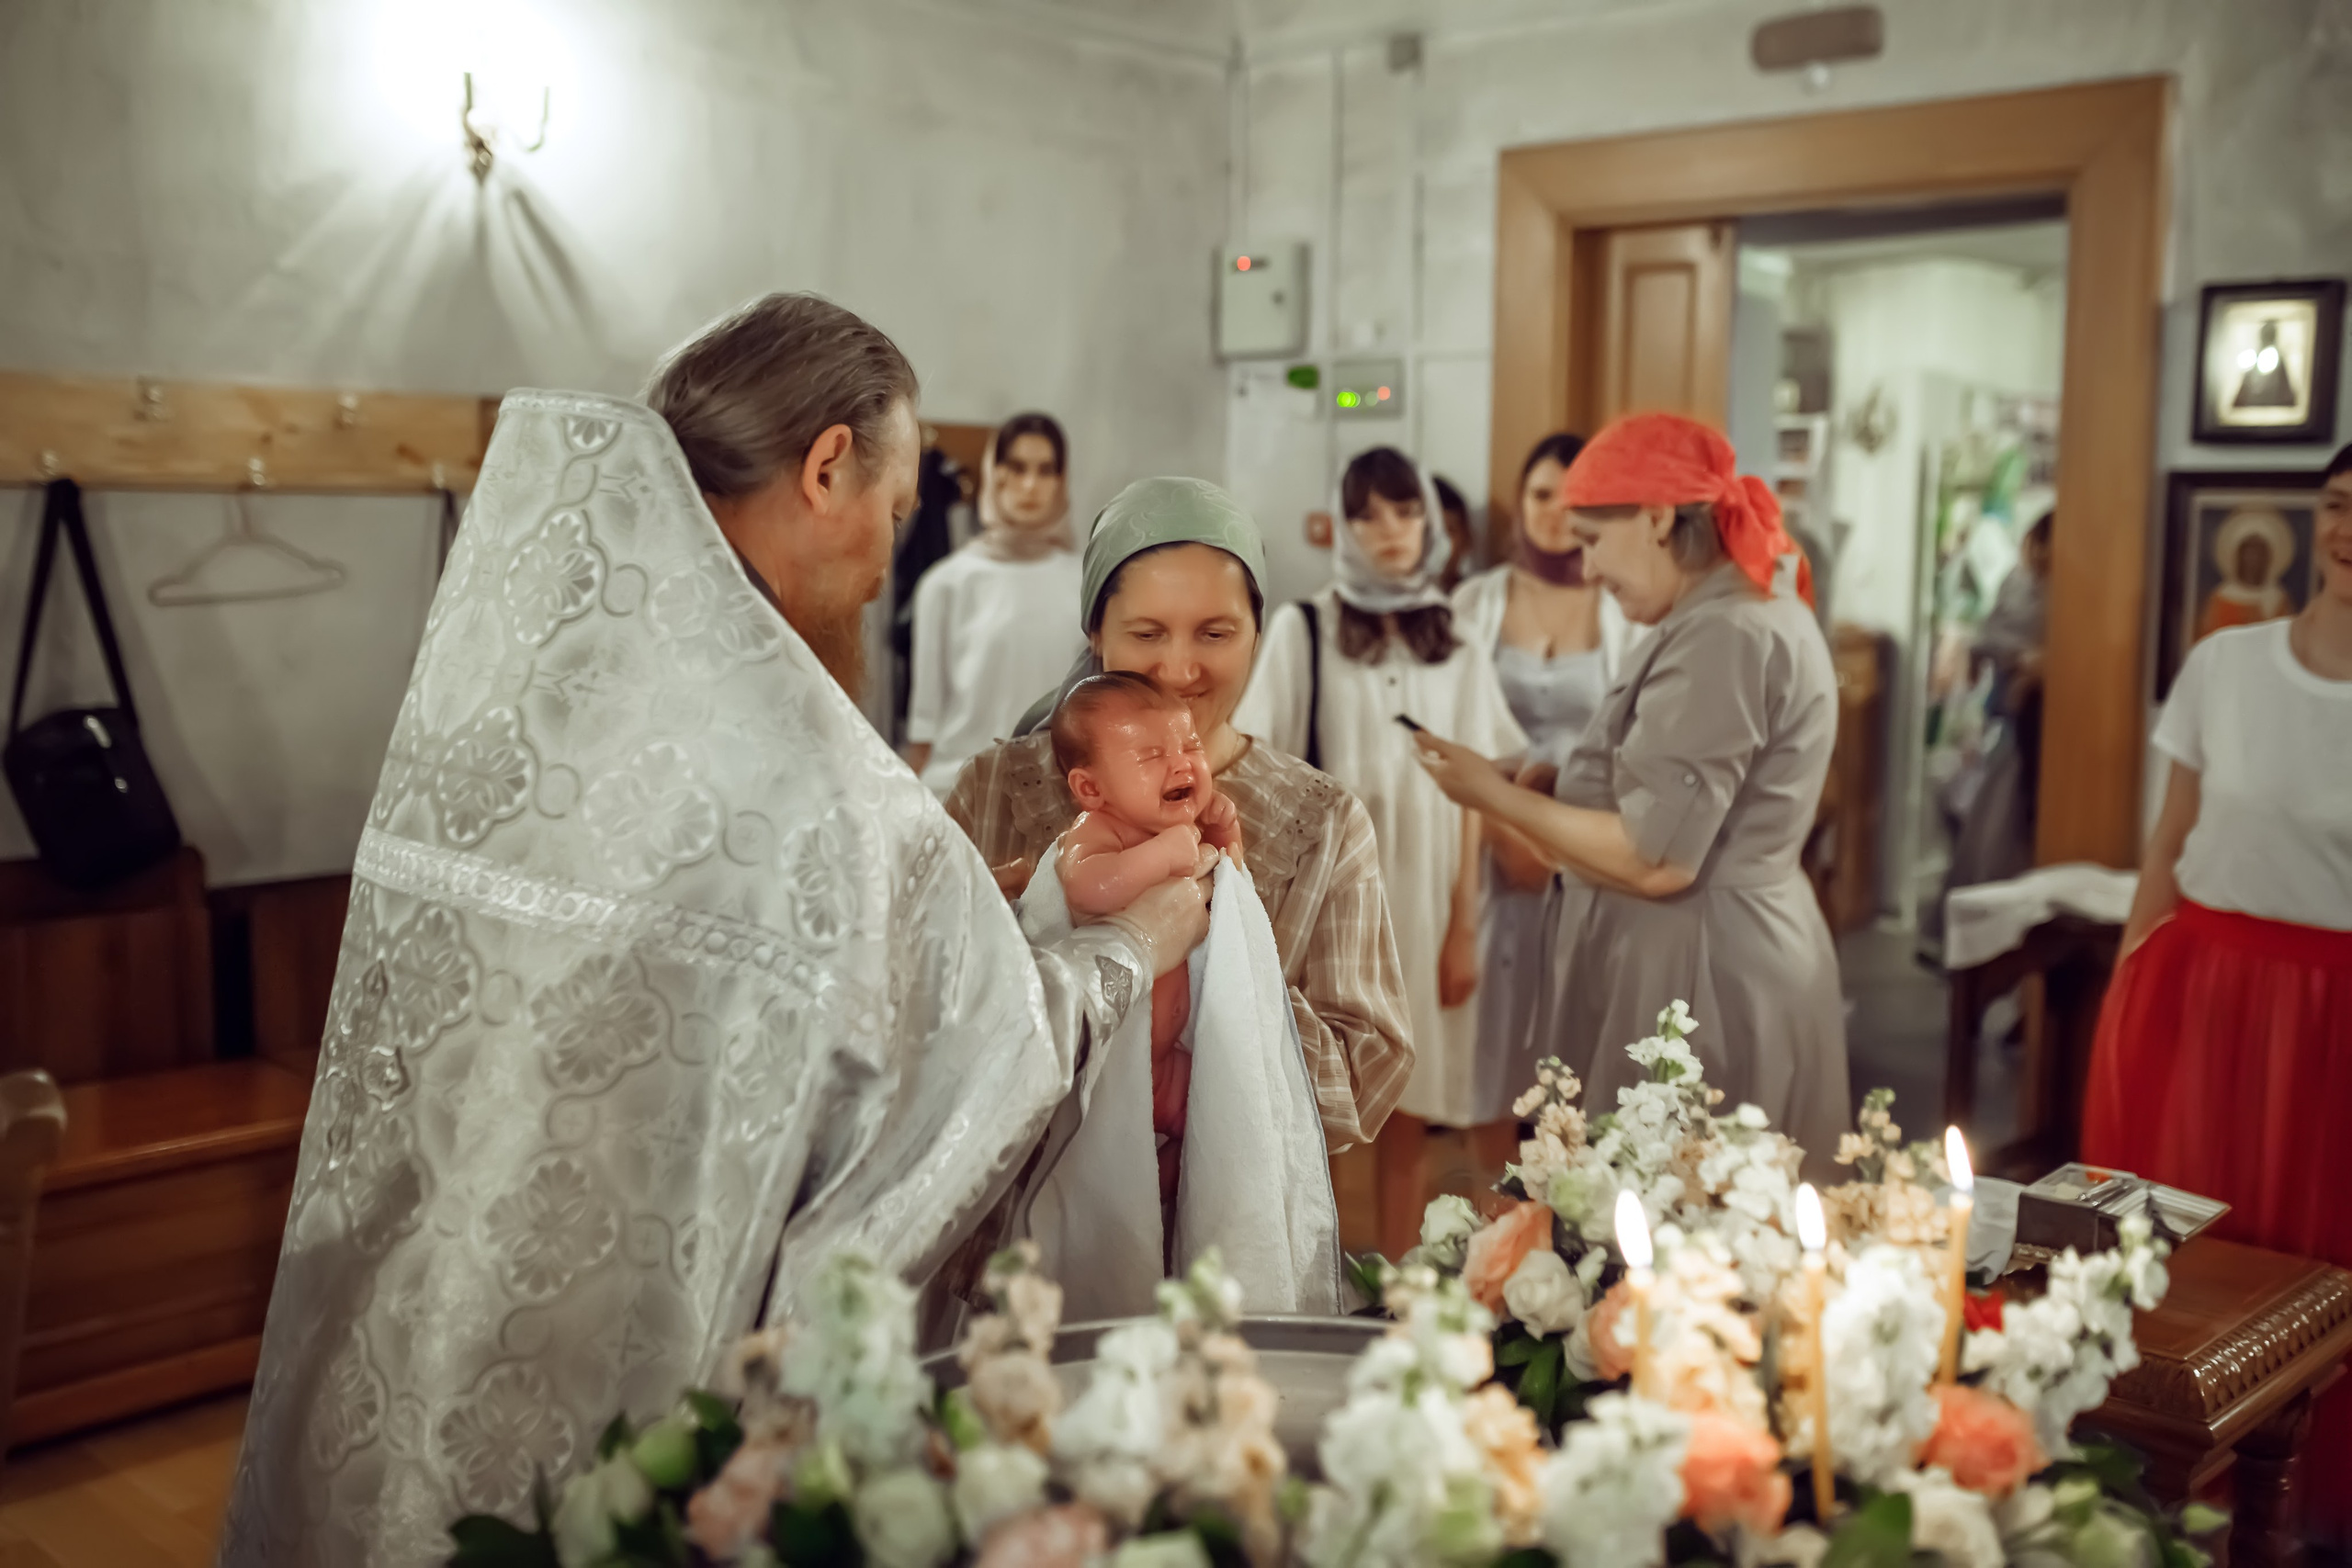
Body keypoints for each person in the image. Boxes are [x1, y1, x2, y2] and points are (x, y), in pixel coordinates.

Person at [219, 297, 1204, 1567]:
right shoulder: (820, 780)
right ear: (828, 465)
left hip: (424, 1320)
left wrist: (964, 900)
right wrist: (1133, 945)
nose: (879, 567)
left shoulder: (523, 711)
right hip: (643, 1356)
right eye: (894, 517)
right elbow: (975, 1061)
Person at [1408, 412, 1850, 1173]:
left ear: (1654, 519)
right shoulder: (1718, 615)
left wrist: (1493, 796)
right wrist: (1556, 791)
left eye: (1589, 539)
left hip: (1702, 968)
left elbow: (1658, 859)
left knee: (1690, 1232)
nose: (1583, 569)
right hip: (1701, 949)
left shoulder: (1727, 634)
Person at [944, 478, 1415, 1188]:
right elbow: (926, 1008)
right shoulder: (1000, 788)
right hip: (1017, 1221)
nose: (1180, 668)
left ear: (1260, 630)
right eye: (1146, 633)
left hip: (1223, 1229)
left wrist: (1225, 970)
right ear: (1095, 632)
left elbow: (1365, 1073)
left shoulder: (1321, 820)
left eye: (1216, 633)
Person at [2082, 442, 2352, 1535]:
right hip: (2198, 993)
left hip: (2334, 1014)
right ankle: (2151, 1497)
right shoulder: (2225, 666)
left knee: (2310, 1265)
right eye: (2337, 505)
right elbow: (2167, 841)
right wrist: (2128, 978)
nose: (2349, 530)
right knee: (2182, 1252)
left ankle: (2292, 1505)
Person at [1233, 446, 1525, 1257]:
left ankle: (1395, 1281)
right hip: (1337, 895)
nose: (1390, 530)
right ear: (1343, 525)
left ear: (1430, 519)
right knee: (1315, 1095)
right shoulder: (1305, 627)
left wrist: (1465, 921)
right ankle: (1305, 1270)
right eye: (1368, 513)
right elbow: (1264, 768)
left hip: (1429, 895)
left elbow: (1472, 790)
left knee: (1411, 1099)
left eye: (1404, 510)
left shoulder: (1456, 637)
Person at [1451, 431, 1640, 1132]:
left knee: (1577, 1049)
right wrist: (1505, 833)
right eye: (1540, 494)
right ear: (1518, 503)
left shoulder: (1625, 606)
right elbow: (1454, 732)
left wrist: (1557, 839)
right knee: (1495, 1054)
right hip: (1493, 848)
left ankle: (1567, 1215)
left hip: (1587, 852)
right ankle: (1495, 1224)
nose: (1555, 512)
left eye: (1573, 498)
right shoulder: (1476, 602)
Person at [1046, 671, 1245, 1206]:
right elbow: (1090, 888)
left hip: (1167, 1060)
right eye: (1151, 755)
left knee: (1224, 1121)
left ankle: (1159, 1206)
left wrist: (1226, 840)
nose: (1182, 764)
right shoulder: (1096, 832)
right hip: (1113, 1069)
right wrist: (1163, 855)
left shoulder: (1180, 828)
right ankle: (1131, 1215)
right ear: (1092, 789)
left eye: (1191, 746)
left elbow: (1231, 901)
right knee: (1102, 1170)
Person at [902, 412, 1084, 795]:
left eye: (1045, 470)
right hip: (959, 793)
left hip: (1059, 798)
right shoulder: (946, 584)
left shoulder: (1086, 584)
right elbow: (924, 728)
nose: (1030, 485)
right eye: (1016, 468)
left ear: (1062, 480)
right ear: (994, 472)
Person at [1940, 511, 2052, 903]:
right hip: (2006, 713)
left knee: (2010, 826)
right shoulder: (2017, 584)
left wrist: (2039, 666)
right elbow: (1990, 639)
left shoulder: (2072, 593)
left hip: (2042, 720)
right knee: (1988, 823)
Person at [2196, 503, 2298, 639]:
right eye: (2249, 552)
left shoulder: (2279, 600)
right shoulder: (2221, 599)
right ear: (2238, 556)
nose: (2254, 559)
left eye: (2260, 552)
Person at [1434, 473, 1477, 592]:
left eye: (1449, 531)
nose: (1437, 543)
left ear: (1467, 538)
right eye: (1427, 532)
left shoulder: (1476, 600)